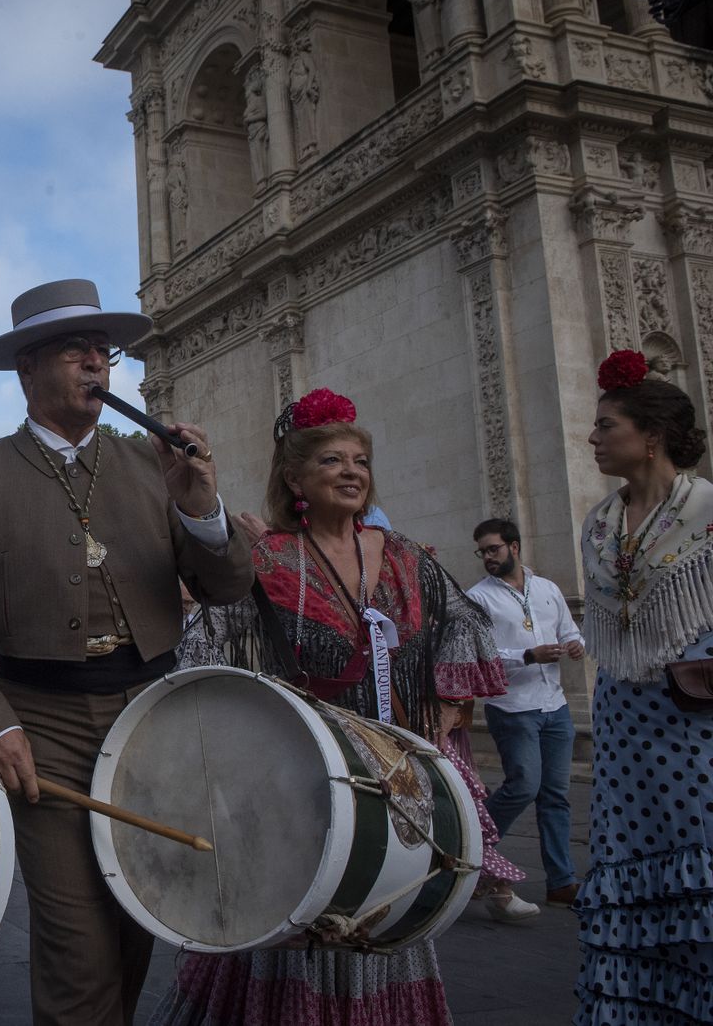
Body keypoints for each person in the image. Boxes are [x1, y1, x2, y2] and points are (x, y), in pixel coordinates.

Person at [0, 278, 254, 1026]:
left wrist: (201, 507)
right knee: (77, 943)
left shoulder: (151, 463)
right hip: (44, 729)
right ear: (27, 369)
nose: (97, 365)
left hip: (152, 723)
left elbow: (226, 586)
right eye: (76, 351)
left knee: (139, 927)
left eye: (104, 352)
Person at [150, 387, 513, 1026]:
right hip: (299, 776)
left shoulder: (407, 558)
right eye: (332, 461)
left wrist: (444, 717)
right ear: (293, 476)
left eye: (360, 461)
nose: (351, 472)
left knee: (382, 914)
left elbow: (467, 626)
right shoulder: (267, 559)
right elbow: (208, 654)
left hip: (395, 773)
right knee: (301, 921)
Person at [574, 350, 713, 1026]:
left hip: (696, 713)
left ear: (650, 433)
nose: (594, 438)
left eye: (606, 425)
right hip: (625, 713)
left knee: (698, 846)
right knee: (629, 853)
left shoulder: (709, 511)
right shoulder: (597, 525)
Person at [468, 516, 584, 908]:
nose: (487, 557)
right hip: (513, 707)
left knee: (555, 795)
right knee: (524, 786)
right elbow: (477, 655)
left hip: (555, 705)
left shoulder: (547, 588)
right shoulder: (479, 598)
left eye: (493, 549)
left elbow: (568, 630)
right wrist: (526, 655)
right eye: (482, 551)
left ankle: (561, 882)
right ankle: (469, 848)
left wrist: (575, 644)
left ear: (514, 547)